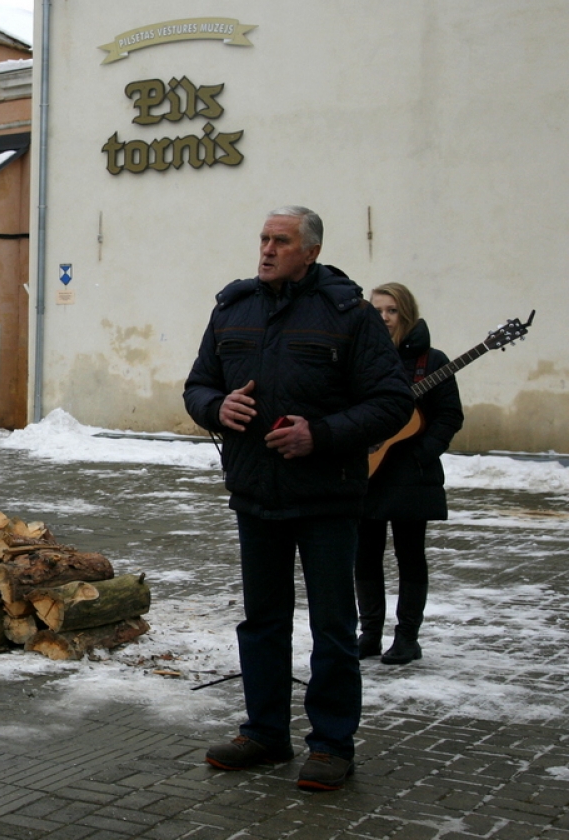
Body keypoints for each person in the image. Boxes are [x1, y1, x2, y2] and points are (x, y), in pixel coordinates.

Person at [183, 206, 413, 791]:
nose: (265, 250)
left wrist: (321, 434)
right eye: (262, 238)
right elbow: (198, 385)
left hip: (327, 497)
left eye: (279, 241)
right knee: (262, 621)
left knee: (334, 625)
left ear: (309, 251)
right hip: (255, 492)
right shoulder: (233, 308)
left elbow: (392, 402)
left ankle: (333, 743)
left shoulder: (351, 315)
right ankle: (264, 732)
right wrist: (217, 407)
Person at [358, 283, 463, 665]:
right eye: (378, 310)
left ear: (407, 315)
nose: (383, 318)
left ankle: (407, 637)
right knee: (364, 556)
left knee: (410, 555)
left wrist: (420, 453)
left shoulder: (431, 362)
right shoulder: (364, 356)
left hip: (411, 475)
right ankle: (368, 634)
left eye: (391, 311)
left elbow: (449, 416)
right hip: (367, 471)